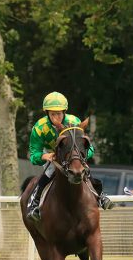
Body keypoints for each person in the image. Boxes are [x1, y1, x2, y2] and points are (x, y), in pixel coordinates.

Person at [25, 91, 113, 222]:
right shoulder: (39, 128)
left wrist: (81, 157)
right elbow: (33, 155)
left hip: (71, 155)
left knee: (83, 170)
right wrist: (45, 156)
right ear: (47, 113)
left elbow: (89, 148)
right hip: (52, 155)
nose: (56, 117)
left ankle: (100, 196)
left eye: (59, 113)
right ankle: (34, 204)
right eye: (52, 114)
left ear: (64, 112)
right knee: (49, 172)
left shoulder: (74, 121)